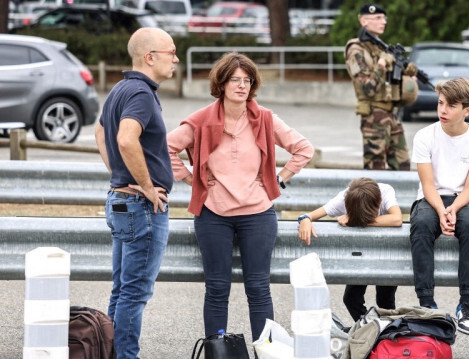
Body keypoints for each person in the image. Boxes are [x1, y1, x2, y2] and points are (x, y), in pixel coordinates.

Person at [166, 52, 314, 342]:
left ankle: (264, 351)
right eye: (235, 80)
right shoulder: (201, 120)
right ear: (221, 84)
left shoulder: (266, 119)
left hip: (258, 214)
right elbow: (164, 147)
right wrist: (188, 177)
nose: (242, 86)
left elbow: (303, 149)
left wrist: (278, 180)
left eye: (247, 80)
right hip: (213, 215)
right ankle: (217, 351)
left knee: (259, 288)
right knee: (217, 289)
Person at [94, 27, 179, 358]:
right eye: (171, 51)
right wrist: (145, 185)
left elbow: (100, 131)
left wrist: (118, 174)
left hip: (121, 201)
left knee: (122, 289)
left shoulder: (121, 88)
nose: (175, 58)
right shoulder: (141, 93)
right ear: (150, 57)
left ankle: (111, 353)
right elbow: (125, 138)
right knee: (135, 293)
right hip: (140, 206)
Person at [409, 78, 469, 336]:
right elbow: (428, 185)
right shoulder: (424, 136)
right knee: (421, 223)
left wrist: (453, 209)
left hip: (465, 199)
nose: (442, 110)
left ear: (467, 110)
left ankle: (467, 307)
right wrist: (441, 210)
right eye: (440, 103)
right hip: (431, 197)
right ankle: (427, 305)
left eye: (451, 105)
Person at [297, 177, 402, 321]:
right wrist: (305, 219)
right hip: (361, 252)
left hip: (385, 252)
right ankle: (369, 329)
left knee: (385, 301)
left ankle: (389, 335)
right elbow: (311, 214)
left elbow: (396, 219)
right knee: (351, 299)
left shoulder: (385, 191)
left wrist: (358, 220)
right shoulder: (345, 197)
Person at [344, 3, 417, 171]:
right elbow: (367, 88)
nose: (383, 22)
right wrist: (382, 64)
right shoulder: (356, 50)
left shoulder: (380, 47)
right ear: (363, 21)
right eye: (377, 18)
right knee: (375, 169)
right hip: (374, 116)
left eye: (384, 18)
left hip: (392, 114)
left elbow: (390, 82)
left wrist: (406, 71)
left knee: (403, 166)